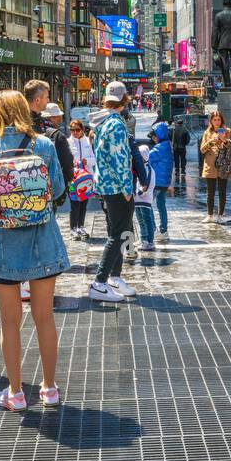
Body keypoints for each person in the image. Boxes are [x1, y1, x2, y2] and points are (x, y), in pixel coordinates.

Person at [0, 90, 70, 411]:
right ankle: (50, 389)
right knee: (45, 318)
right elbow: (59, 188)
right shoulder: (44, 144)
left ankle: (15, 394)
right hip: (43, 241)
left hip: (3, 246)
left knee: (9, 321)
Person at [88, 81, 139, 303]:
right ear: (124, 100)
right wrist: (128, 188)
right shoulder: (116, 125)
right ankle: (99, 282)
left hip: (105, 185)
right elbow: (120, 160)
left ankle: (114, 277)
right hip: (118, 188)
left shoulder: (101, 122)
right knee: (118, 235)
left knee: (119, 231)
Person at [24, 80, 74, 195]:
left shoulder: (20, 120)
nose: (48, 100)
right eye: (46, 97)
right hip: (38, 189)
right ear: (37, 100)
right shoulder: (47, 131)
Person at [199, 109, 231, 223]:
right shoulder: (207, 132)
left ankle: (220, 215)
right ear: (211, 121)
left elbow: (230, 145)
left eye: (219, 120)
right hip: (210, 165)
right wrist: (210, 141)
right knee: (210, 191)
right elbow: (202, 149)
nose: (217, 122)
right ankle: (210, 215)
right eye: (215, 120)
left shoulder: (227, 130)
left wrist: (223, 138)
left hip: (223, 164)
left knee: (222, 191)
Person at [67, 117, 95, 241]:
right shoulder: (68, 142)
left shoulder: (88, 142)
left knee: (83, 203)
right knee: (74, 203)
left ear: (82, 130)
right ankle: (73, 228)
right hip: (74, 178)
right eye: (72, 130)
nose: (75, 132)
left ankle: (81, 226)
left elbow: (94, 160)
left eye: (77, 130)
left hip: (86, 178)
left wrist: (86, 161)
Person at [146, 121, 173, 245]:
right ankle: (163, 231)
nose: (153, 139)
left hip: (156, 182)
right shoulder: (167, 146)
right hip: (164, 182)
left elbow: (145, 157)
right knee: (161, 206)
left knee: (146, 205)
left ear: (159, 135)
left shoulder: (159, 148)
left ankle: (152, 230)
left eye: (154, 136)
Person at [169, 117, 190, 192]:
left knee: (176, 159)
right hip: (182, 147)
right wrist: (185, 144)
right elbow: (188, 139)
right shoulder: (185, 130)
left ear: (177, 123)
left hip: (175, 147)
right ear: (182, 123)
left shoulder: (174, 130)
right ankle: (183, 170)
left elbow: (170, 137)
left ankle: (177, 170)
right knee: (183, 158)